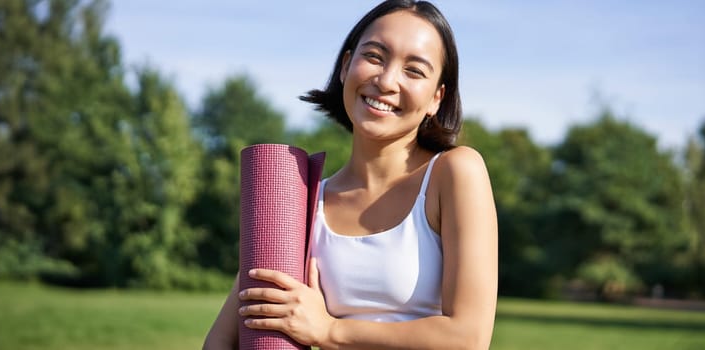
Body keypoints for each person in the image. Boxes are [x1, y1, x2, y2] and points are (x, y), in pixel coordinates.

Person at [203, 1, 498, 348]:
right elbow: (224, 339)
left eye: (414, 70)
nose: (386, 80)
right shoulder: (303, 203)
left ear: (436, 97)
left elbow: (468, 338)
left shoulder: (454, 172)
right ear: (346, 66)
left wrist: (329, 331)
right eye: (374, 56)